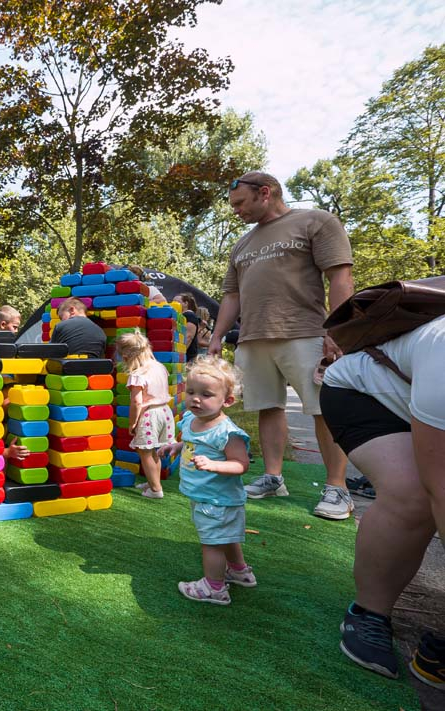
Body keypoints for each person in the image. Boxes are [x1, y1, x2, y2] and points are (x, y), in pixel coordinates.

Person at [208, 171, 356, 521]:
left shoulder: (315, 221)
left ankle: (338, 488)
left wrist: (338, 328)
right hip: (253, 337)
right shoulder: (242, 244)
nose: (236, 211)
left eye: (240, 203)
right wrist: (216, 336)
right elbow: (232, 295)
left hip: (305, 333)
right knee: (268, 407)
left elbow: (341, 276)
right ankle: (273, 478)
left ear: (265, 192)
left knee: (324, 410)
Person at [319, 314, 445, 682]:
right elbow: (440, 487)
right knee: (414, 494)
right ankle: (369, 613)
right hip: (364, 395)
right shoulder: (442, 349)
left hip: (420, 399)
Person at [159, 355, 253, 605]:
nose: (196, 399)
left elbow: (241, 464)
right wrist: (177, 446)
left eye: (206, 394)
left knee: (212, 544)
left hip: (217, 500)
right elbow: (194, 443)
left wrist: (214, 465)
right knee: (226, 536)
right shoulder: (192, 419)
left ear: (227, 400)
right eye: (191, 392)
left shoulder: (227, 433)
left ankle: (214, 588)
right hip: (205, 496)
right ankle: (239, 571)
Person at [117, 331, 176, 499]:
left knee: (145, 453)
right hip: (164, 411)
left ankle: (156, 489)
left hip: (149, 415)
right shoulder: (159, 366)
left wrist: (132, 423)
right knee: (153, 451)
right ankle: (153, 482)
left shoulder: (137, 375)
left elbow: (136, 402)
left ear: (127, 356)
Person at [177, 292, 204, 360]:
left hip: (188, 357)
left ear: (186, 303)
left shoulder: (189, 315)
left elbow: (189, 337)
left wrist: (179, 355)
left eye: (177, 301)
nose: (173, 303)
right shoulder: (182, 316)